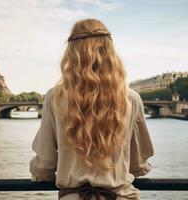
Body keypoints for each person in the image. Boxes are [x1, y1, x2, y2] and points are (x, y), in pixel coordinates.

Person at [30, 18, 154, 200]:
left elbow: (45, 164)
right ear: (109, 51)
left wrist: (43, 174)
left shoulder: (54, 97)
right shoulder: (132, 99)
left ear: (71, 53)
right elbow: (138, 164)